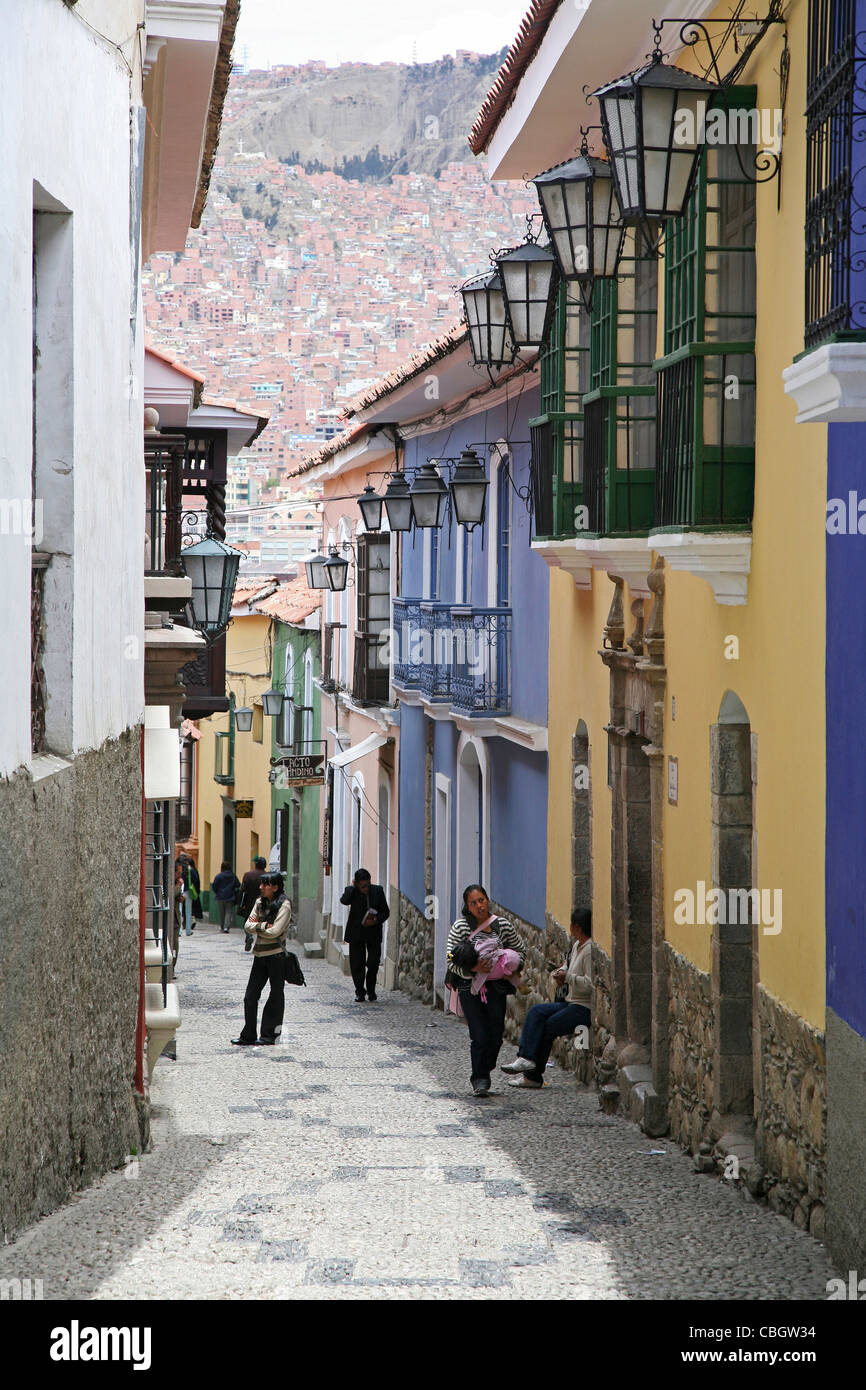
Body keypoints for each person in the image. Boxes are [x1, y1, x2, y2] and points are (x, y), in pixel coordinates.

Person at [446, 885, 526, 1097]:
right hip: (469, 987)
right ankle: (480, 1079)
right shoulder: (461, 927)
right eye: (474, 903)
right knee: (479, 1034)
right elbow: (450, 958)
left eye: (481, 900)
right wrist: (473, 968)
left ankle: (485, 1067)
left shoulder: (502, 925)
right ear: (467, 906)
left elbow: (520, 950)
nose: (479, 905)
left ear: (487, 900)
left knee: (496, 1033)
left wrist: (511, 966)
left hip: (495, 987)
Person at [501, 907, 593, 1089]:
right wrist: (561, 973)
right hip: (569, 1002)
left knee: (550, 1025)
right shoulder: (576, 946)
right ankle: (525, 1058)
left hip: (582, 1006)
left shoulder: (589, 950)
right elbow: (567, 966)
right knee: (536, 1011)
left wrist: (568, 978)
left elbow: (590, 985)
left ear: (576, 927)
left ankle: (533, 1077)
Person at [231, 872, 291, 1046]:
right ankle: (248, 1035)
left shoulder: (284, 905)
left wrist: (258, 927)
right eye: (261, 884)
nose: (261, 887)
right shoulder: (259, 902)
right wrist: (264, 925)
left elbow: (276, 931)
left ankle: (269, 1035)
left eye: (265, 885)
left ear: (275, 887)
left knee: (276, 995)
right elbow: (248, 926)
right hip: (259, 955)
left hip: (276, 956)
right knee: (250, 996)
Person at [341, 868, 390, 1002]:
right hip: (356, 933)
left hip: (373, 933)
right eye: (363, 886)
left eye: (367, 885)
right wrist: (352, 888)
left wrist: (375, 920)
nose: (366, 888)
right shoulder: (352, 891)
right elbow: (344, 901)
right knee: (357, 964)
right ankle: (360, 991)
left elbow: (385, 912)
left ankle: (371, 990)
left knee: (373, 962)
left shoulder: (377, 891)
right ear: (356, 884)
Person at [450, 936, 524, 1003]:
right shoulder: (480, 949)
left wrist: (474, 989)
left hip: (508, 962)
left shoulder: (481, 971)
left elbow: (476, 985)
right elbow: (494, 942)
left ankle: (516, 978)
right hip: (510, 956)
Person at [212, 861, 241, 932]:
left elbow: (214, 886)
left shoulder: (219, 876)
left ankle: (222, 926)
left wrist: (218, 892)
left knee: (222, 912)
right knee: (228, 912)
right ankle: (226, 927)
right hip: (230, 896)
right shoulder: (233, 876)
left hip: (220, 897)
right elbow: (238, 884)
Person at [239, 856, 267, 923]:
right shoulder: (267, 876)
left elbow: (242, 890)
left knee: (248, 921)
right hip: (264, 902)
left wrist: (240, 903)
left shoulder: (248, 875)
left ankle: (249, 933)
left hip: (249, 902)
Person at [175, 856, 193, 937]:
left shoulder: (178, 868)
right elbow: (195, 878)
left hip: (180, 889)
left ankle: (179, 931)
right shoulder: (189, 869)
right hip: (188, 891)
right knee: (188, 911)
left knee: (179, 910)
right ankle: (188, 930)